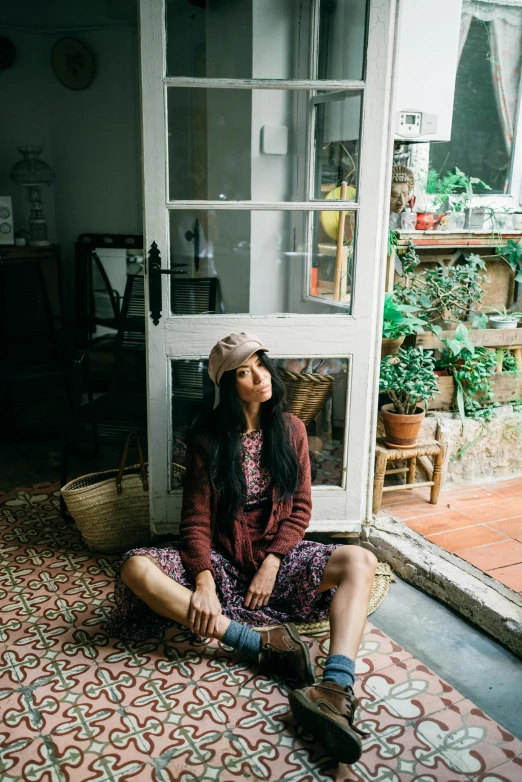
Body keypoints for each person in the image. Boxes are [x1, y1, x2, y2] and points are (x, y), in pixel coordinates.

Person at [106, 333, 378, 765]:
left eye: (260, 364)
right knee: (135, 568)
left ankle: (334, 687)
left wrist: (273, 561)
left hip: (279, 559)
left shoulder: (292, 429)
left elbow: (301, 508)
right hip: (223, 560)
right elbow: (194, 521)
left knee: (362, 560)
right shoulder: (208, 440)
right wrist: (203, 580)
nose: (259, 377)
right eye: (243, 372)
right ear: (228, 387)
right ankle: (259, 642)